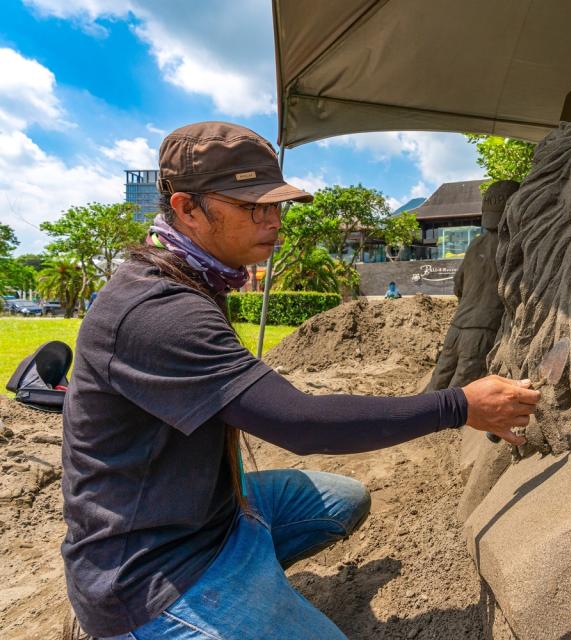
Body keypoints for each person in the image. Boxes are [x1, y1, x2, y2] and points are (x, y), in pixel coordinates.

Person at [60, 122, 537, 639]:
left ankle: (253, 564)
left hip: (208, 510)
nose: (273, 221)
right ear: (187, 208)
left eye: (276, 206)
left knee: (342, 501)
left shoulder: (193, 275)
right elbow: (302, 424)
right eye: (251, 207)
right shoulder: (157, 311)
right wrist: (458, 405)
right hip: (154, 568)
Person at [428, 180, 519, 390]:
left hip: (457, 326)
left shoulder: (475, 244)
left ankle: (420, 416)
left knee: (439, 379)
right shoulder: (515, 246)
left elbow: (457, 285)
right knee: (462, 390)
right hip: (483, 329)